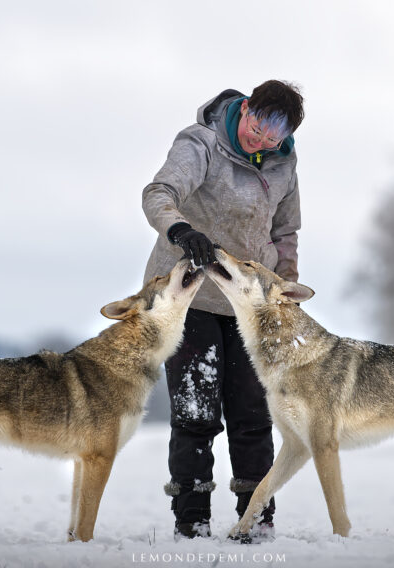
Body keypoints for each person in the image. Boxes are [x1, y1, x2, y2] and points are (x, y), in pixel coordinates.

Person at [142, 80, 304, 540]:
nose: (262, 141)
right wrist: (179, 230)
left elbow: (285, 232)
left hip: (250, 305)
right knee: (196, 412)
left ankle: (256, 520)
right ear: (247, 109)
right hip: (190, 294)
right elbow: (158, 193)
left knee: (253, 414)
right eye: (257, 129)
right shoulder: (203, 143)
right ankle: (191, 519)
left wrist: (285, 287)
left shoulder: (284, 163)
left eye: (273, 138)